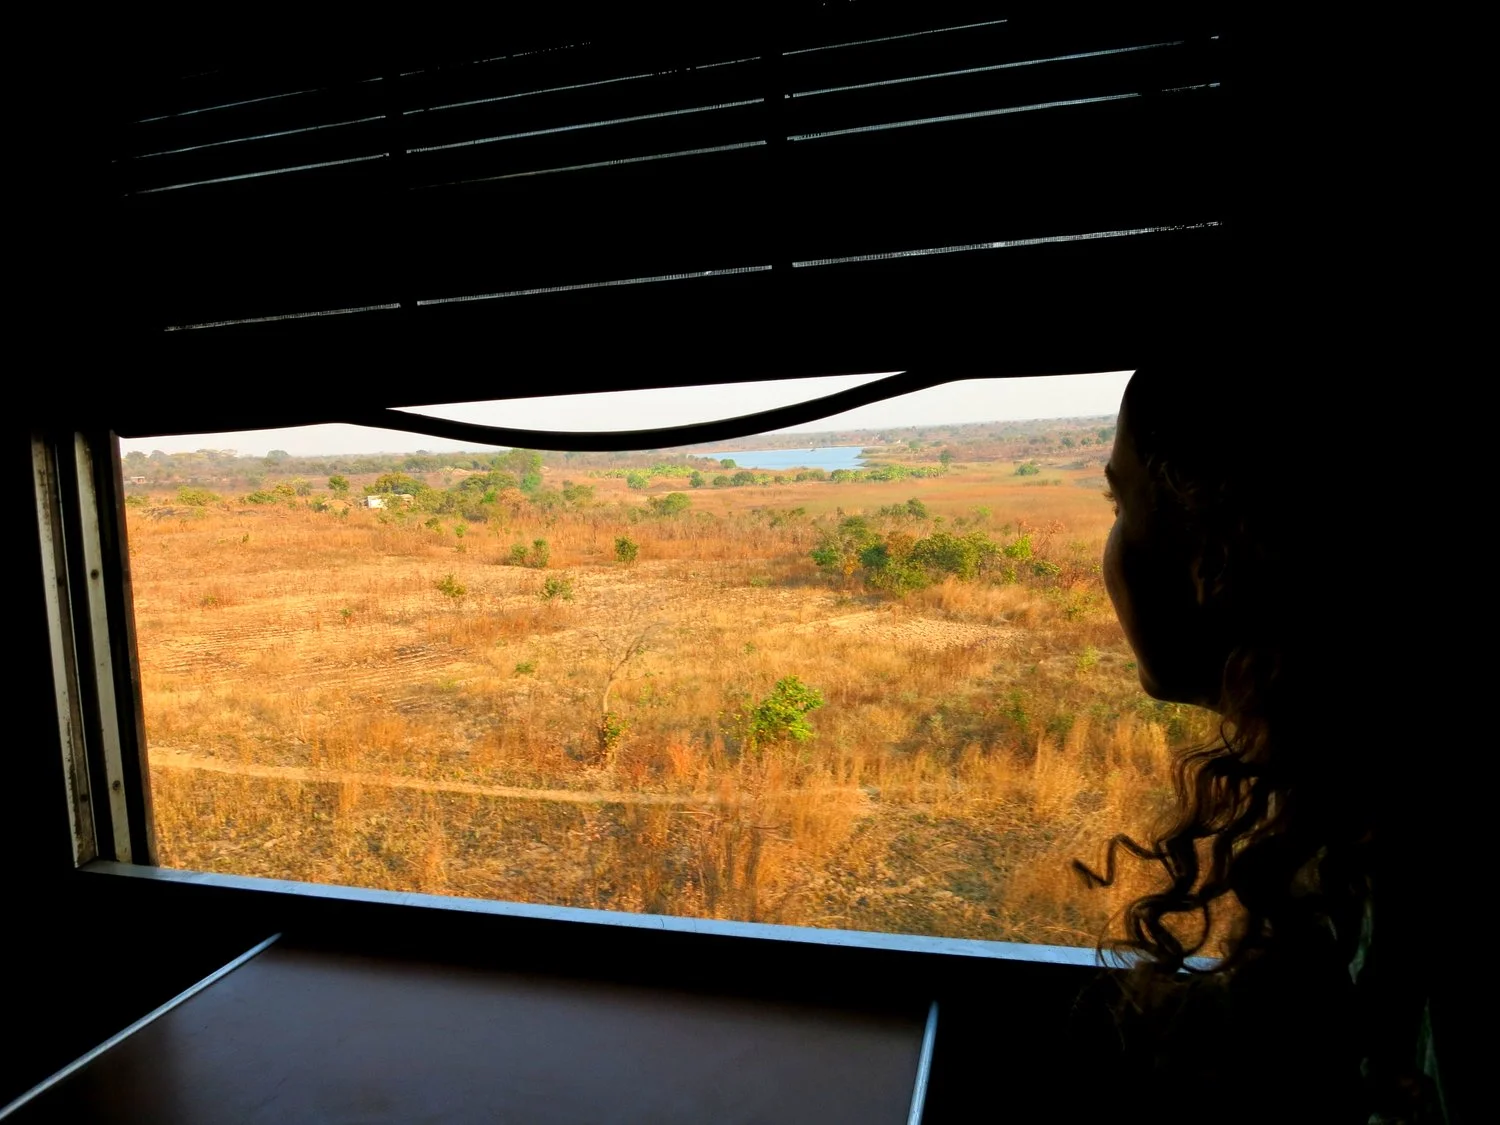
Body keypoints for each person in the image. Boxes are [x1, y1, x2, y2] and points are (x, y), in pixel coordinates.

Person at [1068, 364, 1456, 1123]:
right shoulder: (1364, 801)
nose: (1112, 543)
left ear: (1214, 553)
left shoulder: (1401, 843)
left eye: (1120, 503)